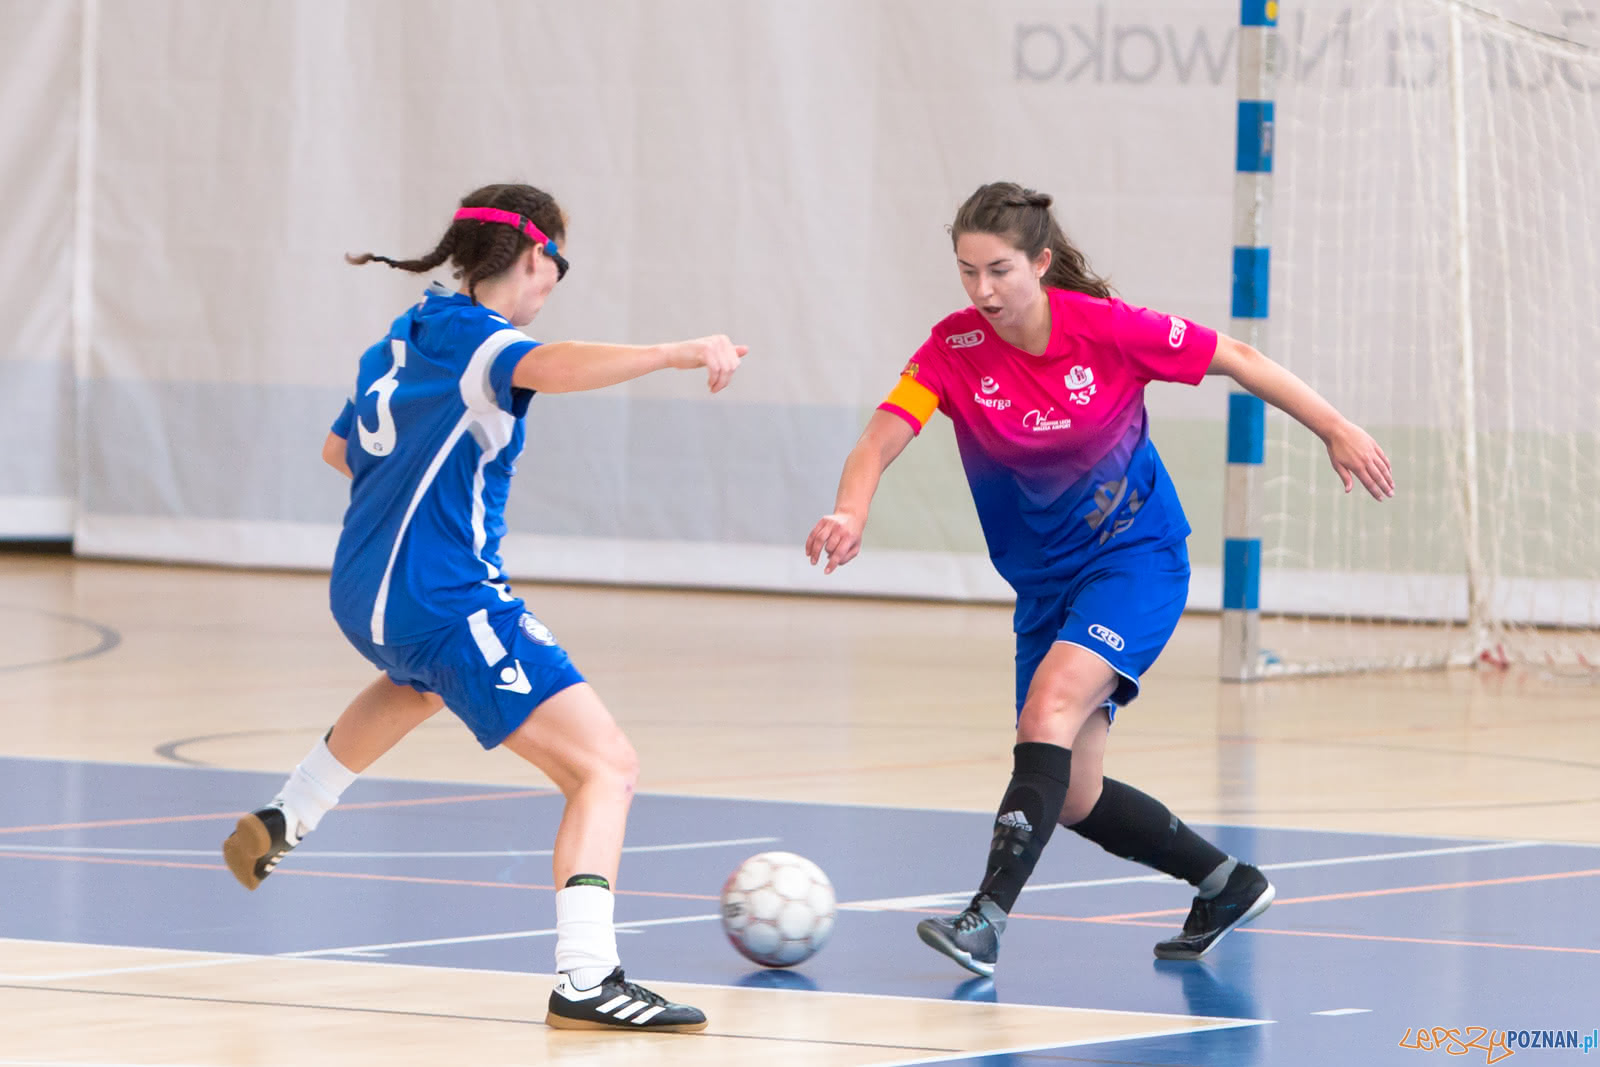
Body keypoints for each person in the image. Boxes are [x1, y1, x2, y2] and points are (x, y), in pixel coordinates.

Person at [805, 182, 1393, 977]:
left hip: (1134, 559)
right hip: (1045, 586)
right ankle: (1225, 881)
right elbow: (879, 440)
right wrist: (851, 509)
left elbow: (1238, 359)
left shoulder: (1110, 331)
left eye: (1001, 270)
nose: (983, 291)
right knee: (1074, 794)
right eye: (967, 271)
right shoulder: (954, 349)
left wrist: (1337, 426)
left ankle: (985, 918)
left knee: (1048, 707)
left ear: (1041, 263)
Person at [222, 183, 744, 1031]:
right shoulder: (484, 342)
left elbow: (337, 448)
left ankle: (292, 809)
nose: (553, 284)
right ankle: (587, 977)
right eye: (559, 266)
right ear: (536, 254)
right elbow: (548, 363)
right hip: (445, 594)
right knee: (605, 768)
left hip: (362, 592)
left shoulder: (404, 334)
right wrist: (672, 351)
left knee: (424, 680)